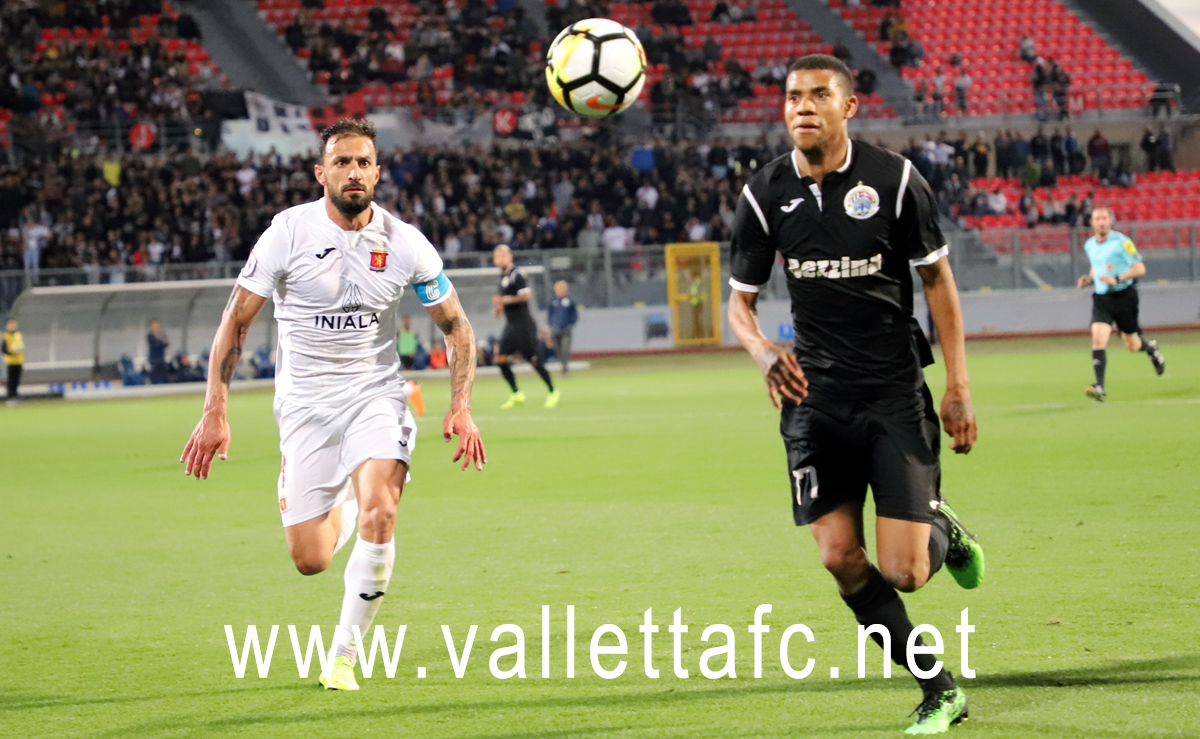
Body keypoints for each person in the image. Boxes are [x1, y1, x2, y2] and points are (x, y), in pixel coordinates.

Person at [179, 118, 486, 692]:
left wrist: (461, 405)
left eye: (363, 162)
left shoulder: (405, 243)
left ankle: (344, 656)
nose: (353, 172)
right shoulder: (286, 234)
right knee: (311, 558)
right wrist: (215, 409)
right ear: (322, 173)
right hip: (306, 407)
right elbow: (236, 321)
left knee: (383, 511)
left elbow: (458, 327)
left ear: (377, 172)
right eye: (341, 162)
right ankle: (347, 491)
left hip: (377, 395)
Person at [726, 55, 984, 735]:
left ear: (850, 107)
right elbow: (739, 305)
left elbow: (939, 287)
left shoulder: (896, 181)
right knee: (838, 555)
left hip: (893, 391)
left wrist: (956, 386)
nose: (802, 107)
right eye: (792, 97)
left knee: (905, 572)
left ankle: (942, 528)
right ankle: (940, 688)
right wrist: (760, 351)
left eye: (818, 96)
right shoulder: (763, 194)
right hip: (812, 397)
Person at [1076, 206, 1166, 401]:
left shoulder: (1122, 242)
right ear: (1091, 223)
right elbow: (1097, 265)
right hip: (1102, 298)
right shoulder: (1089, 245)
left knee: (1132, 345)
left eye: (1104, 218)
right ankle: (1099, 386)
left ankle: (1150, 348)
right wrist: (1090, 278)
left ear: (1110, 221)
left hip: (1125, 296)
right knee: (1098, 338)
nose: (1101, 222)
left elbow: (1140, 268)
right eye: (1097, 218)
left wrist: (1118, 278)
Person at [492, 244, 560, 409]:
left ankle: (552, 391)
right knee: (500, 359)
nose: (500, 259)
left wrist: (504, 301)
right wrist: (499, 309)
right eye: (497, 256)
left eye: (503, 256)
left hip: (524, 325)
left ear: (510, 257)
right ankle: (517, 393)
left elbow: (525, 296)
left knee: (534, 360)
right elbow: (505, 299)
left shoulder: (517, 274)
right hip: (511, 325)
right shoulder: (502, 277)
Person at [546, 280, 578, 376]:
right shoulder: (553, 301)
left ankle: (565, 368)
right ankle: (563, 366)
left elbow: (574, 315)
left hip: (565, 330)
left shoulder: (569, 301)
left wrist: (570, 324)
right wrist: (551, 325)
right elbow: (550, 315)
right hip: (555, 330)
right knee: (558, 350)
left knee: (565, 349)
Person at [2, 319, 24, 405]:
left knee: (17, 380)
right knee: (11, 380)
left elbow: (20, 346)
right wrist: (11, 353)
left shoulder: (19, 335)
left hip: (19, 361)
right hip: (10, 361)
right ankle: (10, 397)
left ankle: (15, 396)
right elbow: (3, 349)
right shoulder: (6, 336)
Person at [147, 319, 170, 384]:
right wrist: (162, 343)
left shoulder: (163, 334)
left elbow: (166, 344)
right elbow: (154, 345)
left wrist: (161, 343)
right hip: (154, 361)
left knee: (164, 377)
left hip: (161, 360)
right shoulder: (150, 335)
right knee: (155, 378)